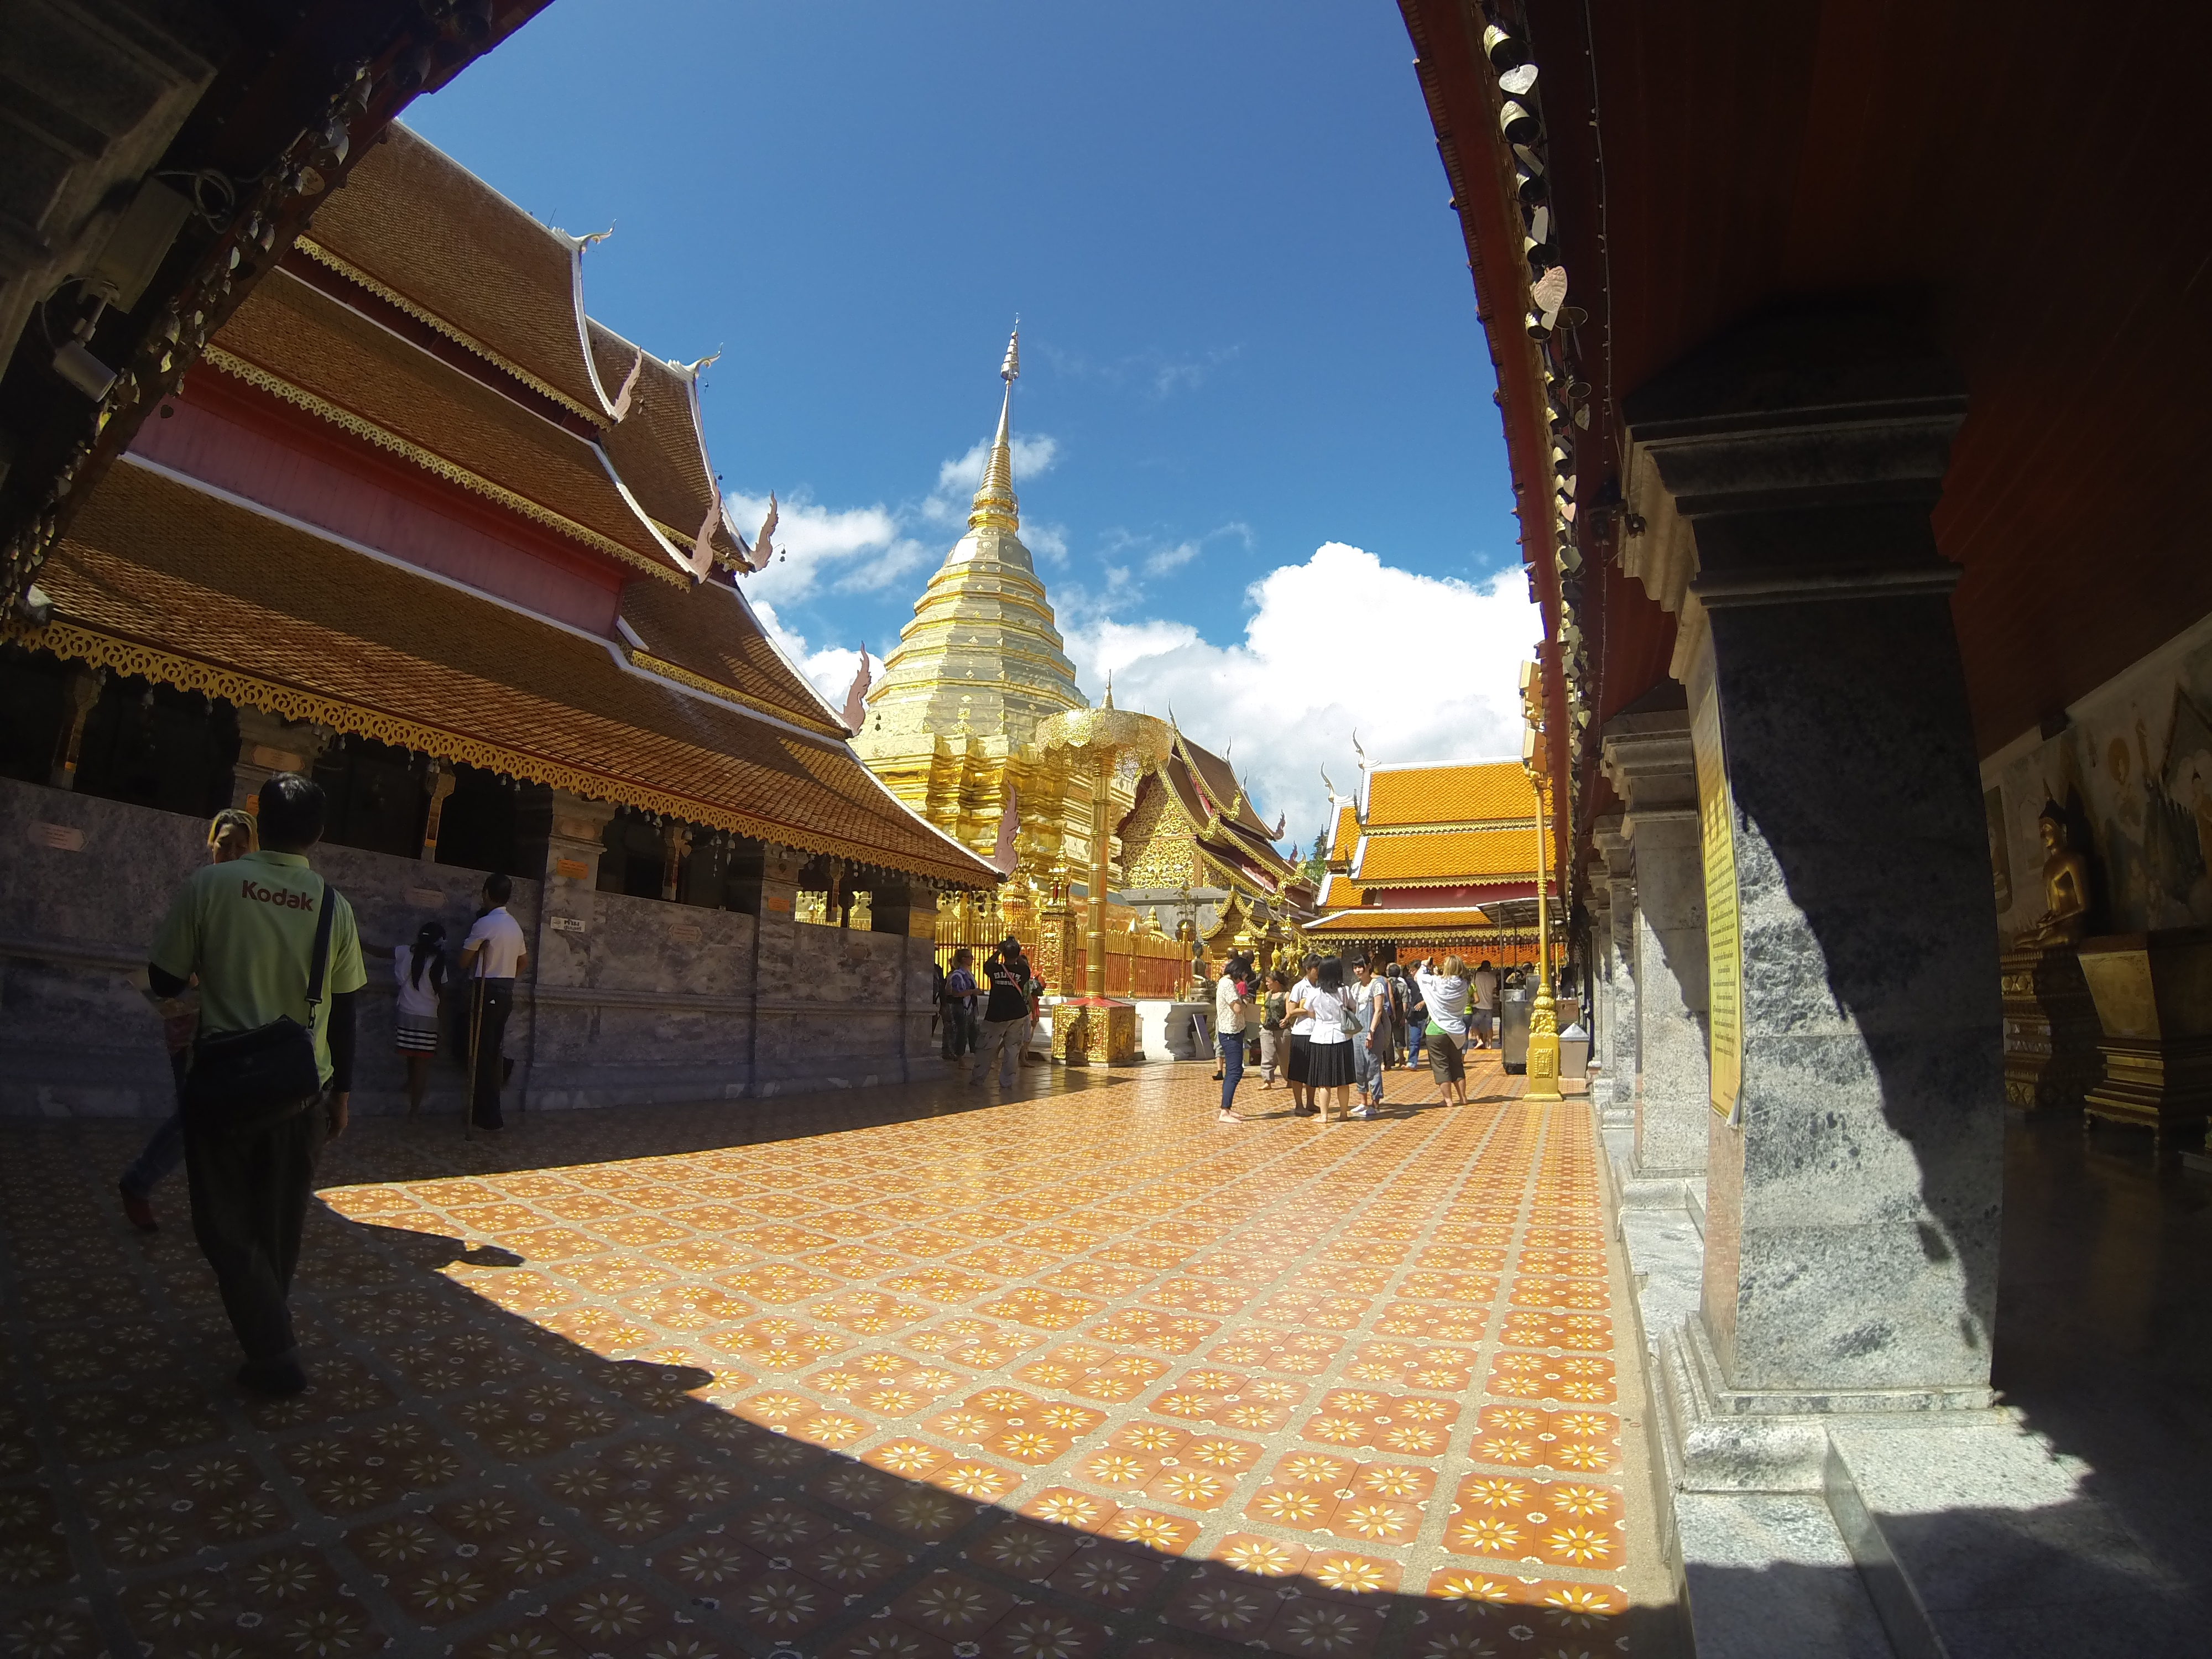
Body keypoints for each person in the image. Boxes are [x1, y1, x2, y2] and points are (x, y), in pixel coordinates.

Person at [148, 773, 364, 1395]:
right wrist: (343, 1094)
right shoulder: (332, 905)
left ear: (258, 822)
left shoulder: (211, 885)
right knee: (280, 1221)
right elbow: (347, 1008)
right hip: (302, 1090)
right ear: (319, 834)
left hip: (223, 1082)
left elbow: (165, 980)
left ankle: (272, 1350)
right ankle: (268, 1325)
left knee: (221, 1221)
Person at [119, 808, 259, 1233]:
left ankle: (221, 1202)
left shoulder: (254, 898)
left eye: (241, 847)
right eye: (225, 845)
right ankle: (140, 1181)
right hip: (192, 1022)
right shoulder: (199, 891)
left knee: (225, 1117)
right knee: (196, 1115)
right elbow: (167, 963)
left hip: (238, 1023)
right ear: (211, 845)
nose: (231, 853)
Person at [458, 874, 528, 1133]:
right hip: (504, 993)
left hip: (486, 991)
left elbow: (463, 962)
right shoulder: (515, 926)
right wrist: (507, 978)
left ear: (486, 893)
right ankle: (484, 1110)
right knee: (491, 1051)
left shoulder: (486, 924)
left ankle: (489, 1116)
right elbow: (523, 962)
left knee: (481, 1053)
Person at [394, 920, 448, 1117]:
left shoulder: (405, 952)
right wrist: (441, 1030)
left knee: (411, 1057)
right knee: (422, 1065)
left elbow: (379, 951)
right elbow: (443, 997)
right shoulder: (439, 963)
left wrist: (358, 940)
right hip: (428, 1020)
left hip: (406, 1016)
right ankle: (414, 1111)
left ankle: (409, 1087)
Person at [970, 939, 1030, 1090]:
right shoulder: (1023, 971)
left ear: (1004, 954)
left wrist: (999, 951)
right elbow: (1026, 968)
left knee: (986, 1048)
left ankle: (978, 1078)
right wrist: (1018, 954)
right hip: (1017, 1014)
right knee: (1012, 1049)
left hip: (996, 1014)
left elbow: (987, 964)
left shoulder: (995, 969)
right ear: (1017, 955)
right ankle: (1007, 1082)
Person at [1303, 957, 1357, 1123]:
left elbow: (1309, 1012)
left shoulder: (1314, 993)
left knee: (1323, 1081)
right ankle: (1343, 1114)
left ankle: (1324, 1115)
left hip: (1321, 1036)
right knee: (1343, 1080)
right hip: (1342, 1036)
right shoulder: (1345, 991)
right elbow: (1353, 1008)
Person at [1416, 954, 1474, 1107]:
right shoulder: (1464, 984)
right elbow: (1449, 983)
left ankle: (1448, 1100)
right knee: (1457, 1065)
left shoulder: (1436, 982)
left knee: (1441, 1066)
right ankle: (1463, 1097)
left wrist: (1424, 966)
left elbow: (1419, 978)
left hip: (1437, 1030)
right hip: (1457, 1031)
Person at [1350, 957, 1389, 1117]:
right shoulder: (1355, 988)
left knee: (1373, 1067)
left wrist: (1371, 1032)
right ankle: (1363, 1101)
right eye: (1355, 968)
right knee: (1359, 1067)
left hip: (1372, 1031)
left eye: (1361, 967)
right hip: (1357, 1033)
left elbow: (1378, 1010)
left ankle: (1375, 1103)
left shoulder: (1377, 985)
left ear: (1368, 967)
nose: (1358, 970)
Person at [1214, 953, 1251, 1123]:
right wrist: (1245, 1003)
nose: (1244, 979)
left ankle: (1227, 1107)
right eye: (1244, 975)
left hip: (1233, 1031)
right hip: (1230, 1033)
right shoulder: (1228, 984)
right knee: (1235, 1071)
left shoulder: (1226, 983)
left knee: (1234, 1070)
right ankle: (1225, 1111)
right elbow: (1237, 1008)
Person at [1284, 957, 1321, 1115]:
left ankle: (1311, 1102)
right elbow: (1291, 1010)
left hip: (1317, 1031)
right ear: (1308, 969)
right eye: (1316, 968)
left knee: (1312, 1070)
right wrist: (1308, 1011)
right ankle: (1299, 1105)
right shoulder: (1300, 987)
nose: (1319, 972)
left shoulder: (1321, 986)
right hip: (1302, 1033)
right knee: (1299, 1072)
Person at [941, 949, 977, 1061]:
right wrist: (972, 992)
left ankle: (976, 1056)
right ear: (963, 959)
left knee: (972, 1032)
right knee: (962, 1032)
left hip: (970, 1007)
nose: (972, 958)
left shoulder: (968, 974)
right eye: (970, 956)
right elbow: (956, 993)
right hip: (961, 1007)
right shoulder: (957, 975)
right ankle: (959, 1057)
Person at [1258, 969, 1288, 1088]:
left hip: (1282, 1030)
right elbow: (1266, 1010)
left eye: (1268, 982)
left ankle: (1289, 1078)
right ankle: (1267, 1081)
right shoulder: (1267, 995)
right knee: (1267, 1055)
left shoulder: (1286, 995)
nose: (1266, 984)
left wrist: (1286, 1019)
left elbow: (1289, 1012)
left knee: (1285, 1058)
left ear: (1276, 982)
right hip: (1267, 1029)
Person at [1401, 962, 1427, 1068]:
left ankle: (1435, 1063)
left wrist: (1423, 1002)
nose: (1411, 973)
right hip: (1414, 1015)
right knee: (1414, 1040)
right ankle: (1412, 1062)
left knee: (1430, 1042)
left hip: (1426, 1015)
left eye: (1413, 971)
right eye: (1410, 971)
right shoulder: (1409, 982)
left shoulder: (1428, 980)